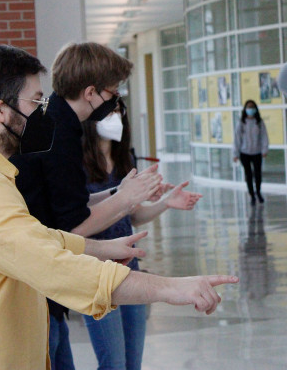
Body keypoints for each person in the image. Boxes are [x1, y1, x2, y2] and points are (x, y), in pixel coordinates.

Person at [0, 44, 238, 370]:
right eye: (35, 102)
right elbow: (56, 267)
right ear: (0, 110)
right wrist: (173, 288)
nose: (44, 112)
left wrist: (98, 248)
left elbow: (32, 241)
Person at [11, 42, 167, 370]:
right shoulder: (58, 132)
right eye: (114, 92)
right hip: (35, 282)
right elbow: (72, 226)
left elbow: (70, 202)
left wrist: (122, 193)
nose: (116, 100)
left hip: (43, 286)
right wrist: (125, 199)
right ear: (91, 92)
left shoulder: (55, 122)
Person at [81, 103, 203, 370]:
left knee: (132, 363)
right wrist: (121, 198)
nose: (116, 118)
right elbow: (78, 219)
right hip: (96, 274)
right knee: (113, 363)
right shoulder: (76, 163)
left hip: (129, 270)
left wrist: (166, 203)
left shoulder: (126, 159)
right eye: (109, 112)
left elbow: (133, 215)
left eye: (119, 113)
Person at [233, 100, 269, 206]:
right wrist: (235, 153)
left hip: (257, 152)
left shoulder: (259, 122)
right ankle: (252, 195)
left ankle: (258, 192)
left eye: (252, 107)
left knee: (258, 174)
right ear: (245, 109)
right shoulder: (241, 122)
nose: (250, 109)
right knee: (248, 174)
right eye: (248, 107)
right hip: (245, 153)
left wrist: (264, 150)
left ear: (256, 109)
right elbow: (237, 139)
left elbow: (264, 137)